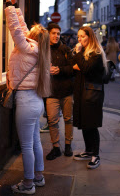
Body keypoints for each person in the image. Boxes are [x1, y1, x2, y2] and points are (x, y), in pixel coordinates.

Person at [5, 0, 51, 194]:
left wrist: (8, 6)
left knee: (26, 146)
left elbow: (16, 29)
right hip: (36, 101)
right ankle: (38, 177)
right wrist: (15, 7)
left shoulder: (27, 47)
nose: (25, 33)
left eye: (29, 33)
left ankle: (28, 184)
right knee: (34, 141)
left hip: (25, 100)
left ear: (32, 37)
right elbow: (21, 28)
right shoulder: (38, 50)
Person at [72, 26, 108, 169]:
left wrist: (78, 54)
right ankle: (88, 151)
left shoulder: (96, 53)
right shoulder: (86, 52)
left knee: (92, 124)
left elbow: (85, 68)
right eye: (78, 36)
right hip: (82, 92)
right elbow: (77, 66)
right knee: (85, 123)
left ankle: (95, 155)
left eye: (82, 36)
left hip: (92, 94)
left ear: (90, 37)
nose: (79, 39)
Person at [45, 22, 75, 160]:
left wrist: (60, 70)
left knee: (68, 119)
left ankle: (68, 144)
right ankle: (56, 147)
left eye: (58, 33)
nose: (56, 36)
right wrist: (47, 71)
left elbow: (73, 69)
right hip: (51, 92)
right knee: (52, 120)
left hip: (67, 91)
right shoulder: (43, 51)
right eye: (53, 33)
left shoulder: (66, 50)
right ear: (48, 34)